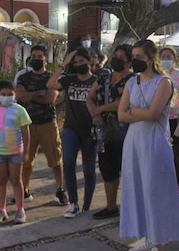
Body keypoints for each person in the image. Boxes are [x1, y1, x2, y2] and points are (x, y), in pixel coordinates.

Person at [118, 39, 179, 251]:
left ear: (150, 58)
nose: (135, 60)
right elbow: (120, 115)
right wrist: (139, 113)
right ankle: (149, 237)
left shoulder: (163, 82)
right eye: (133, 56)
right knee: (138, 188)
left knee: (154, 191)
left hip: (154, 142)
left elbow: (154, 114)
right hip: (134, 142)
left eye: (139, 56)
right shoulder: (131, 82)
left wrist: (134, 112)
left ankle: (159, 248)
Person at [47, 47, 98, 218]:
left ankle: (87, 205)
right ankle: (73, 203)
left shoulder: (97, 81)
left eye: (81, 61)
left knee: (89, 170)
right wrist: (64, 64)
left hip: (90, 130)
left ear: (89, 61)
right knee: (68, 162)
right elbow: (51, 84)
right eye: (76, 63)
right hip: (70, 128)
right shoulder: (70, 80)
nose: (79, 65)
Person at [86, 43, 134, 219]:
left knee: (127, 170)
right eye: (115, 56)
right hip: (103, 131)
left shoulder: (132, 80)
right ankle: (111, 206)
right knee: (107, 170)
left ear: (129, 63)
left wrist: (101, 109)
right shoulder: (103, 77)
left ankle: (129, 207)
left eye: (121, 58)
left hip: (124, 130)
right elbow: (90, 97)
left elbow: (124, 102)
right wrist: (94, 112)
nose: (116, 60)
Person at [15, 45, 67, 205]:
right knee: (26, 160)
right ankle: (24, 190)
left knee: (55, 158)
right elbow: (20, 96)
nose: (37, 59)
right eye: (34, 57)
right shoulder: (24, 77)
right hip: (27, 124)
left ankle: (60, 190)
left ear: (45, 59)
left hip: (47, 123)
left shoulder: (52, 78)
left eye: (40, 56)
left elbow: (50, 98)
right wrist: (39, 93)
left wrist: (30, 96)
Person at [0, 81, 32, 225]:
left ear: (14, 95)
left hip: (15, 151)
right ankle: (1, 209)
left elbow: (25, 131)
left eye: (10, 94)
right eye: (3, 94)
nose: (6, 97)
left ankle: (20, 209)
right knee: (1, 181)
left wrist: (26, 151)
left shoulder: (19, 110)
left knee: (16, 181)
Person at [160, 46, 179, 193]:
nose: (165, 60)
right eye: (163, 57)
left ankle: (178, 183)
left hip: (176, 119)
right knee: (162, 152)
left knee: (176, 152)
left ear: (174, 59)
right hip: (160, 120)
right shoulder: (158, 76)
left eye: (168, 57)